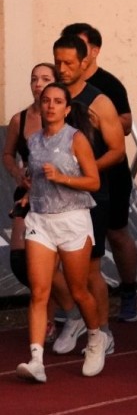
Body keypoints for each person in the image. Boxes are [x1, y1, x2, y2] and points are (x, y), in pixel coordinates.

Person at [16, 82, 106, 382]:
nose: (51, 105)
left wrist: (63, 177)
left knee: (78, 289)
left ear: (67, 109)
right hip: (40, 220)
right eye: (46, 101)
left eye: (57, 101)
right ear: (40, 106)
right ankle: (36, 359)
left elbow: (94, 182)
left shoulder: (76, 139)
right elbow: (38, 178)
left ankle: (96, 338)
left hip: (73, 219)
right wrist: (28, 195)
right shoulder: (33, 141)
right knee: (39, 291)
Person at [60, 21, 137, 322]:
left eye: (72, 57)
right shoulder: (56, 93)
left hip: (107, 176)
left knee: (115, 233)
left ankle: (128, 292)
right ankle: (75, 314)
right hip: (64, 188)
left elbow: (122, 128)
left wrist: (92, 128)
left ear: (90, 53)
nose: (65, 65)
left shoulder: (106, 89)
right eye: (61, 59)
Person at [53, 34, 126, 358]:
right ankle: (71, 321)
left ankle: (104, 332)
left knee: (91, 270)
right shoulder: (52, 99)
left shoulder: (100, 102)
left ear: (85, 62)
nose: (62, 68)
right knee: (49, 265)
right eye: (58, 62)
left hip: (91, 199)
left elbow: (118, 152)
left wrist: (83, 174)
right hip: (53, 200)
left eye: (69, 63)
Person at [3, 63, 57, 295]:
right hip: (26, 194)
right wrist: (17, 174)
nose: (38, 84)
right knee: (20, 260)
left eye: (45, 79)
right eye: (34, 79)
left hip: (57, 195)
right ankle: (55, 308)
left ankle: (59, 313)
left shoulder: (67, 118)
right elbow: (7, 154)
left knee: (50, 263)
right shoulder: (20, 119)